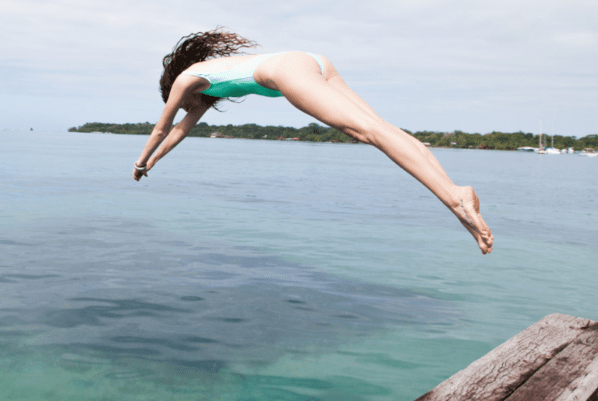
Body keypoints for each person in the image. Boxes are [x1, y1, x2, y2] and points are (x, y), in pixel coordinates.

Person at [132, 28, 494, 254]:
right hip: (314, 61)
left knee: (365, 131)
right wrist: (154, 163)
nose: (186, 109)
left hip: (289, 69)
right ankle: (453, 189)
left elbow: (164, 128)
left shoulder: (186, 80)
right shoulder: (205, 83)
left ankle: (454, 199)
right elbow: (182, 130)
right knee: (378, 127)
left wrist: (139, 161)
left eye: (180, 104)